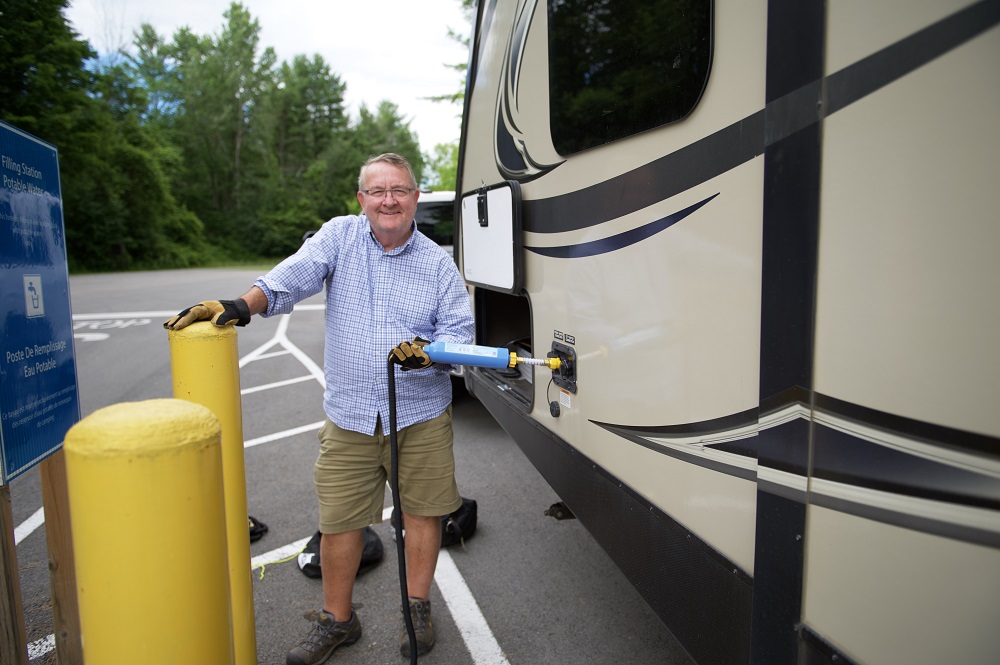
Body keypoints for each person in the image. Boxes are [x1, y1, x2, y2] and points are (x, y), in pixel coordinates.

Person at [164, 153, 474, 664]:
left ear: (415, 197)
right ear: (362, 200)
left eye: (399, 190)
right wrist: (242, 306)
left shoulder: (439, 263)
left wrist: (428, 351)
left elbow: (459, 334)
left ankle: (417, 607)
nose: (388, 200)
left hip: (419, 415)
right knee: (338, 522)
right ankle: (338, 620)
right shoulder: (340, 237)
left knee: (423, 514)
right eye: (377, 191)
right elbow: (291, 277)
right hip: (350, 414)